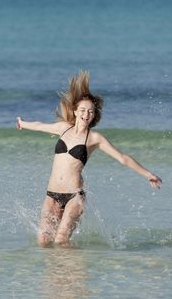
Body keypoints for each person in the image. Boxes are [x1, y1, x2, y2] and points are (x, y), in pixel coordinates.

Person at [16, 70, 162, 247]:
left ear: (94, 116)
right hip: (51, 194)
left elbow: (122, 158)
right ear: (76, 111)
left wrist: (148, 174)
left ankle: (77, 269)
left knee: (61, 241)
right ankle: (56, 274)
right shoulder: (63, 128)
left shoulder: (95, 138)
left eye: (91, 112)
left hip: (74, 197)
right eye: (83, 110)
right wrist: (22, 124)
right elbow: (40, 126)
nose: (86, 114)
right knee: (43, 242)